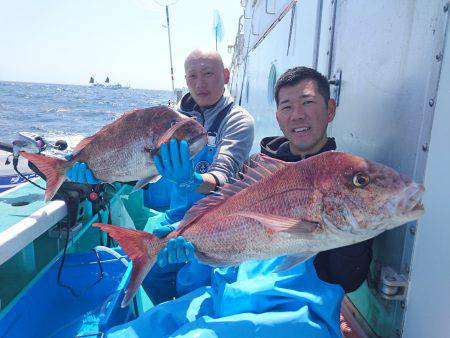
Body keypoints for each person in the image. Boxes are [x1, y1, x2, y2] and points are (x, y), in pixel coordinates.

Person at [106, 67, 372, 337]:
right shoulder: (258, 165)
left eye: (308, 102)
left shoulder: (344, 178)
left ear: (330, 109)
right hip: (225, 292)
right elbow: (226, 210)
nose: (298, 114)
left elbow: (347, 277)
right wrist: (180, 229)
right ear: (279, 118)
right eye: (287, 106)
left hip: (292, 313)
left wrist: (347, 227)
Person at [66, 48, 255, 302]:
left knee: (195, 285)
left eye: (209, 74)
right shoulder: (169, 116)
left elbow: (223, 174)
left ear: (225, 75)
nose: (200, 84)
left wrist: (191, 180)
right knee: (152, 272)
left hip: (218, 222)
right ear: (185, 80)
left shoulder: (238, 121)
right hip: (175, 217)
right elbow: (138, 163)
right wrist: (99, 174)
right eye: (192, 77)